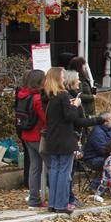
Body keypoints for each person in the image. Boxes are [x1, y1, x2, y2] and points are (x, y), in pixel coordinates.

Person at [44, 69, 103, 213]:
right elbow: (70, 116)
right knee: (64, 173)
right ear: (58, 78)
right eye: (63, 76)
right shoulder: (63, 95)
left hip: (52, 138)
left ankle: (53, 203)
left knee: (55, 171)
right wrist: (75, 105)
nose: (64, 78)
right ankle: (61, 205)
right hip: (65, 139)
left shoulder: (50, 96)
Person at [16, 69, 48, 208]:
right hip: (38, 135)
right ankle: (53, 197)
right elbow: (45, 118)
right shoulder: (37, 98)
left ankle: (34, 199)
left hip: (26, 134)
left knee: (34, 167)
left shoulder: (22, 94)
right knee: (51, 166)